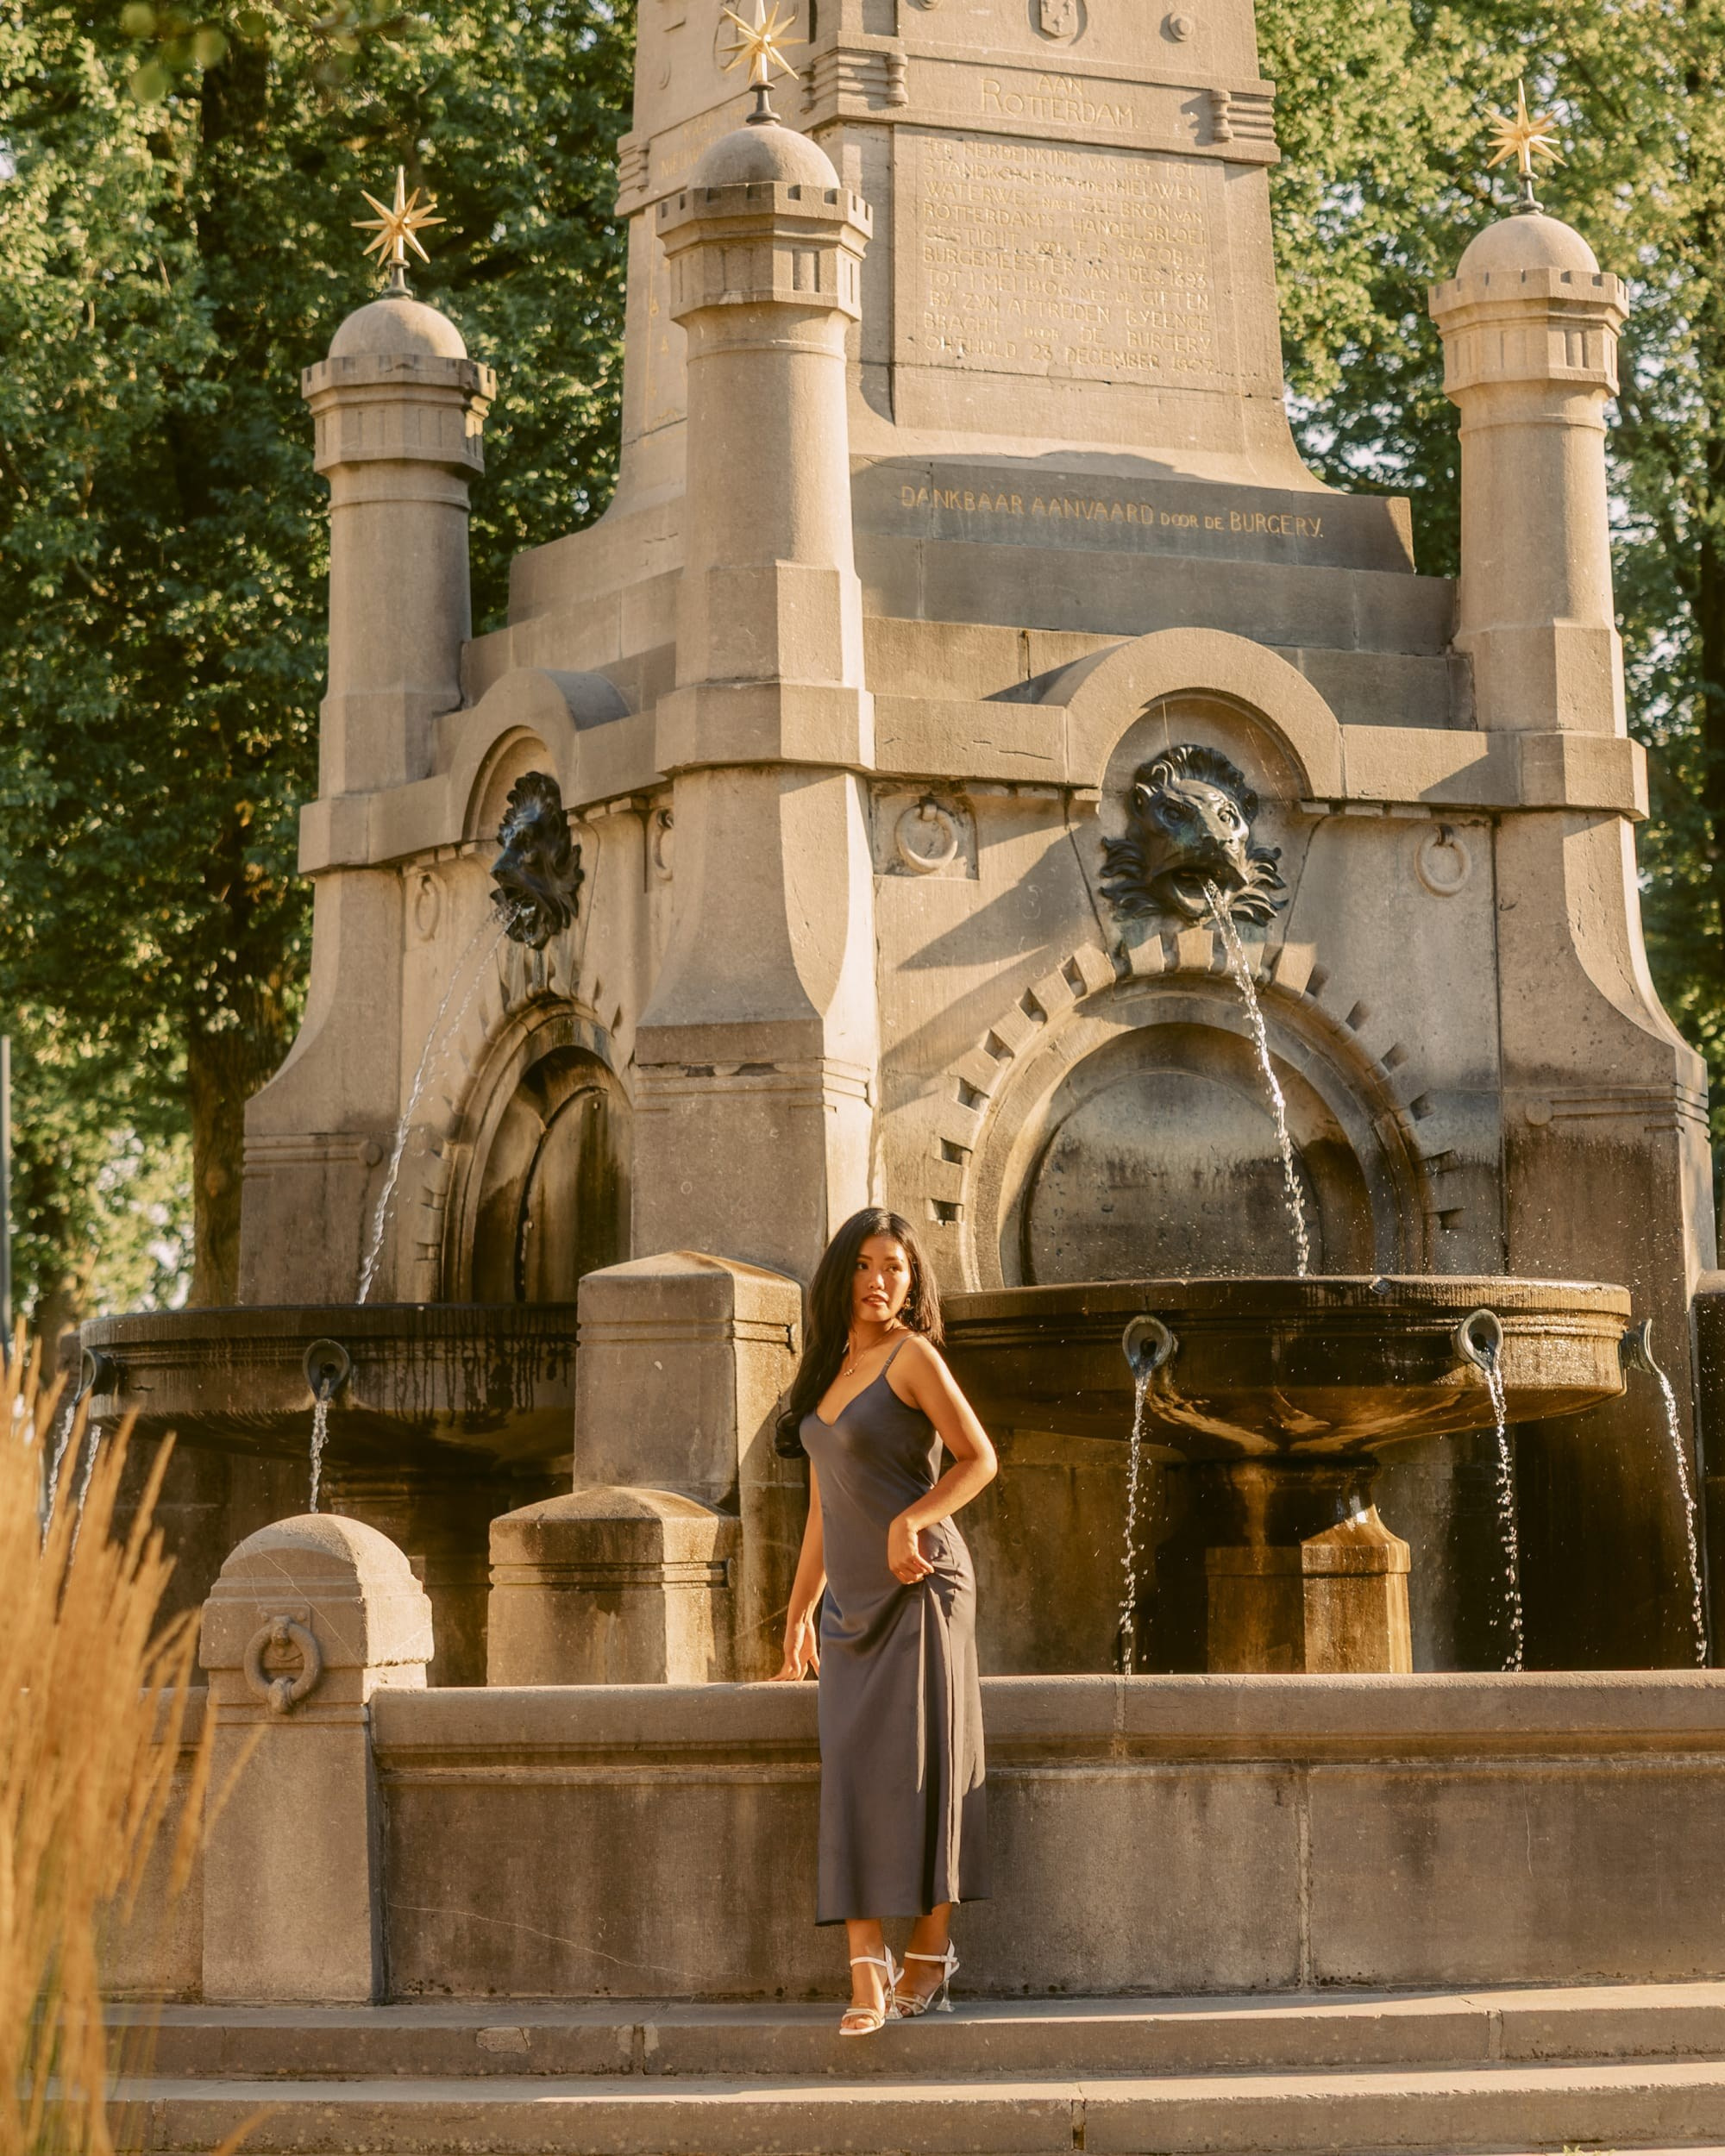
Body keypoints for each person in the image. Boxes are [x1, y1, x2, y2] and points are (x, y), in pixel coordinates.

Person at [771, 1206, 998, 2034]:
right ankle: (867, 1965)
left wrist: (910, 1521)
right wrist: (799, 1610)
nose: (879, 1281)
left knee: (931, 1766)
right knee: (853, 1771)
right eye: (865, 1265)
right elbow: (825, 1510)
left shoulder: (915, 1357)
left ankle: (928, 1953)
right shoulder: (826, 1375)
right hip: (850, 1605)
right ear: (841, 1276)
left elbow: (980, 1459)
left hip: (922, 1586)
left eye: (895, 1267)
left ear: (913, 1279)